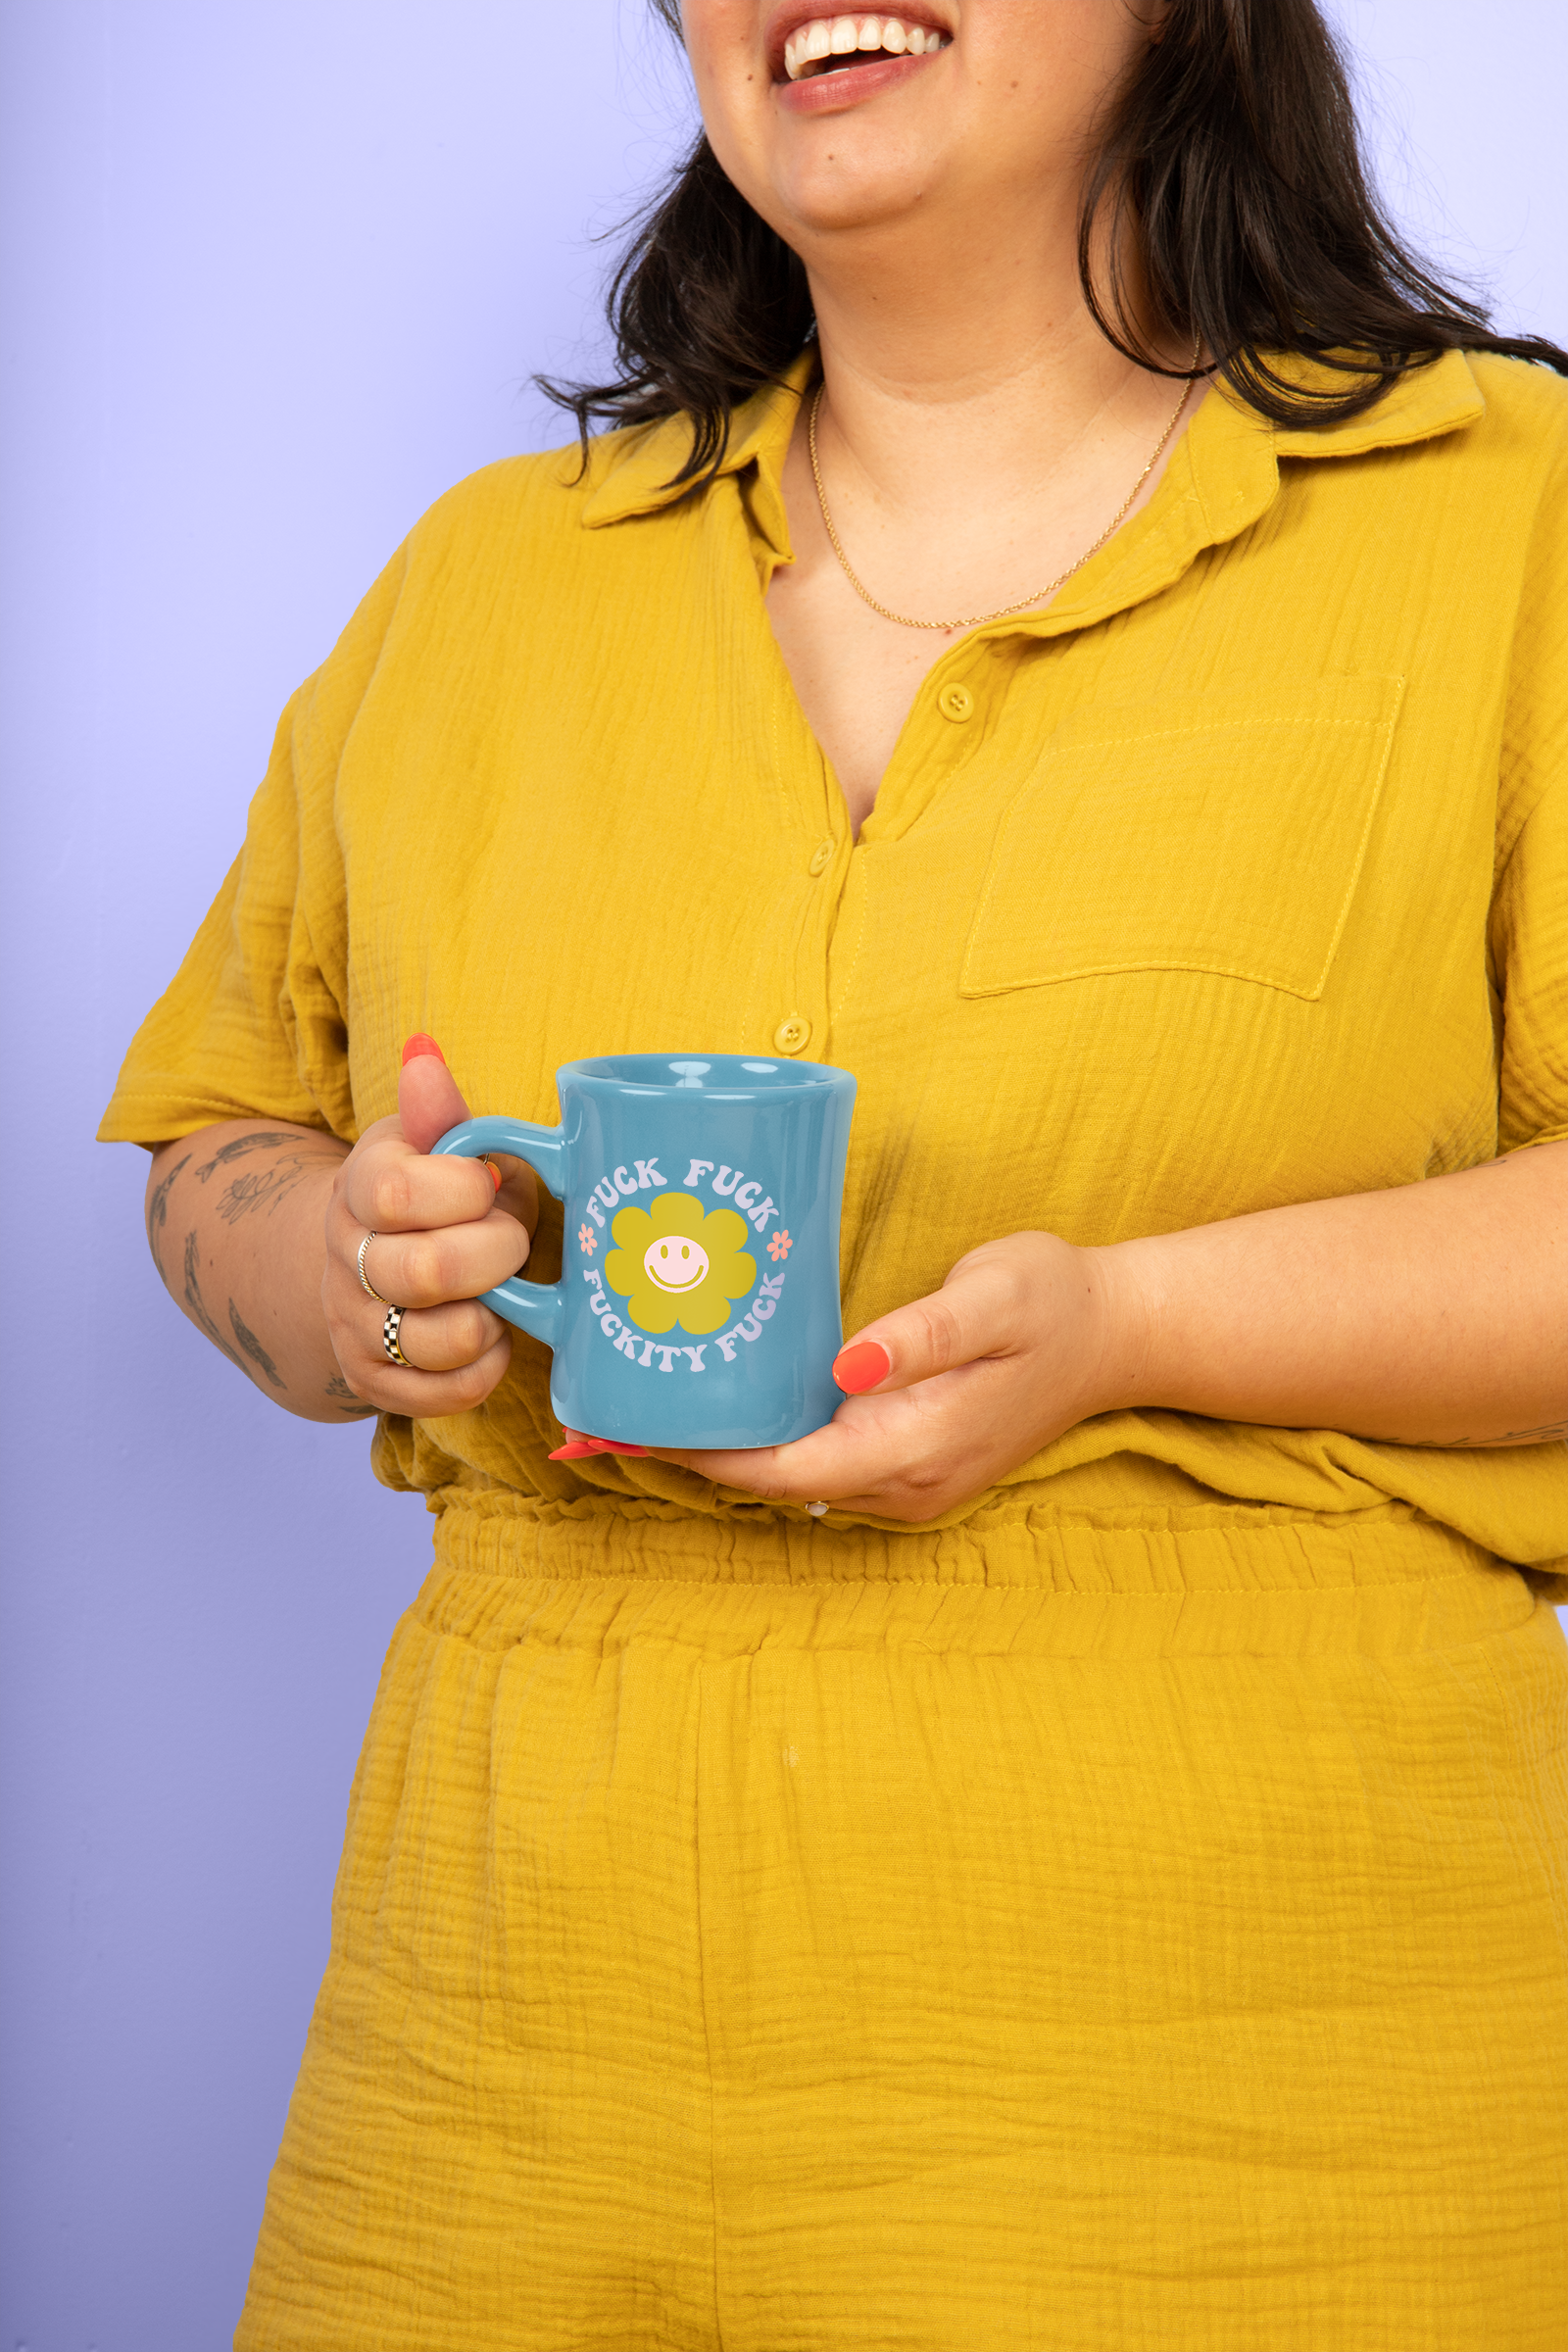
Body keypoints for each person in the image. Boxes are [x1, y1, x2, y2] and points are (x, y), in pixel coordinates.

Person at [100, 1, 1567, 2343]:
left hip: (1265, 2079)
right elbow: (215, 1144)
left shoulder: (1511, 511)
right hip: (498, 2078)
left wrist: (1133, 1327)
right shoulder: (488, 580)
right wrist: (348, 1278)